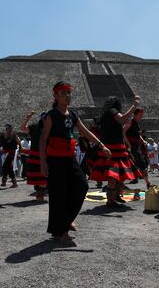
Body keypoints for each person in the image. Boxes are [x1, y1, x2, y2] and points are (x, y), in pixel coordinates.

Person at [40, 81, 111, 244]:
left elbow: (85, 132)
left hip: (69, 158)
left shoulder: (73, 115)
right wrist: (43, 162)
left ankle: (66, 220)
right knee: (59, 195)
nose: (67, 96)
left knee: (82, 185)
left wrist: (102, 145)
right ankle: (61, 231)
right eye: (63, 93)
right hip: (56, 159)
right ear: (56, 96)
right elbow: (43, 139)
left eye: (69, 93)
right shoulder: (51, 115)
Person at [90, 96, 143, 207]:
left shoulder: (108, 114)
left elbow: (120, 129)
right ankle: (110, 200)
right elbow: (122, 118)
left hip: (116, 147)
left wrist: (126, 126)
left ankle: (116, 196)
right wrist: (134, 105)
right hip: (113, 148)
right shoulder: (112, 111)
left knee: (119, 175)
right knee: (113, 175)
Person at [20, 111, 48, 201]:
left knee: (45, 176)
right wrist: (28, 118)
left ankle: (41, 193)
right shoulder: (34, 127)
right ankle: (39, 194)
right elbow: (23, 128)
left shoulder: (51, 127)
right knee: (37, 176)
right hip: (36, 154)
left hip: (46, 154)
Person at [124, 108, 151, 187]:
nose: (141, 116)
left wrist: (143, 141)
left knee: (141, 164)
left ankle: (148, 183)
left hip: (136, 147)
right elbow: (123, 132)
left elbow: (138, 134)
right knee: (128, 165)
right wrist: (128, 144)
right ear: (135, 114)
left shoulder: (137, 123)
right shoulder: (130, 122)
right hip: (130, 147)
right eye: (140, 114)